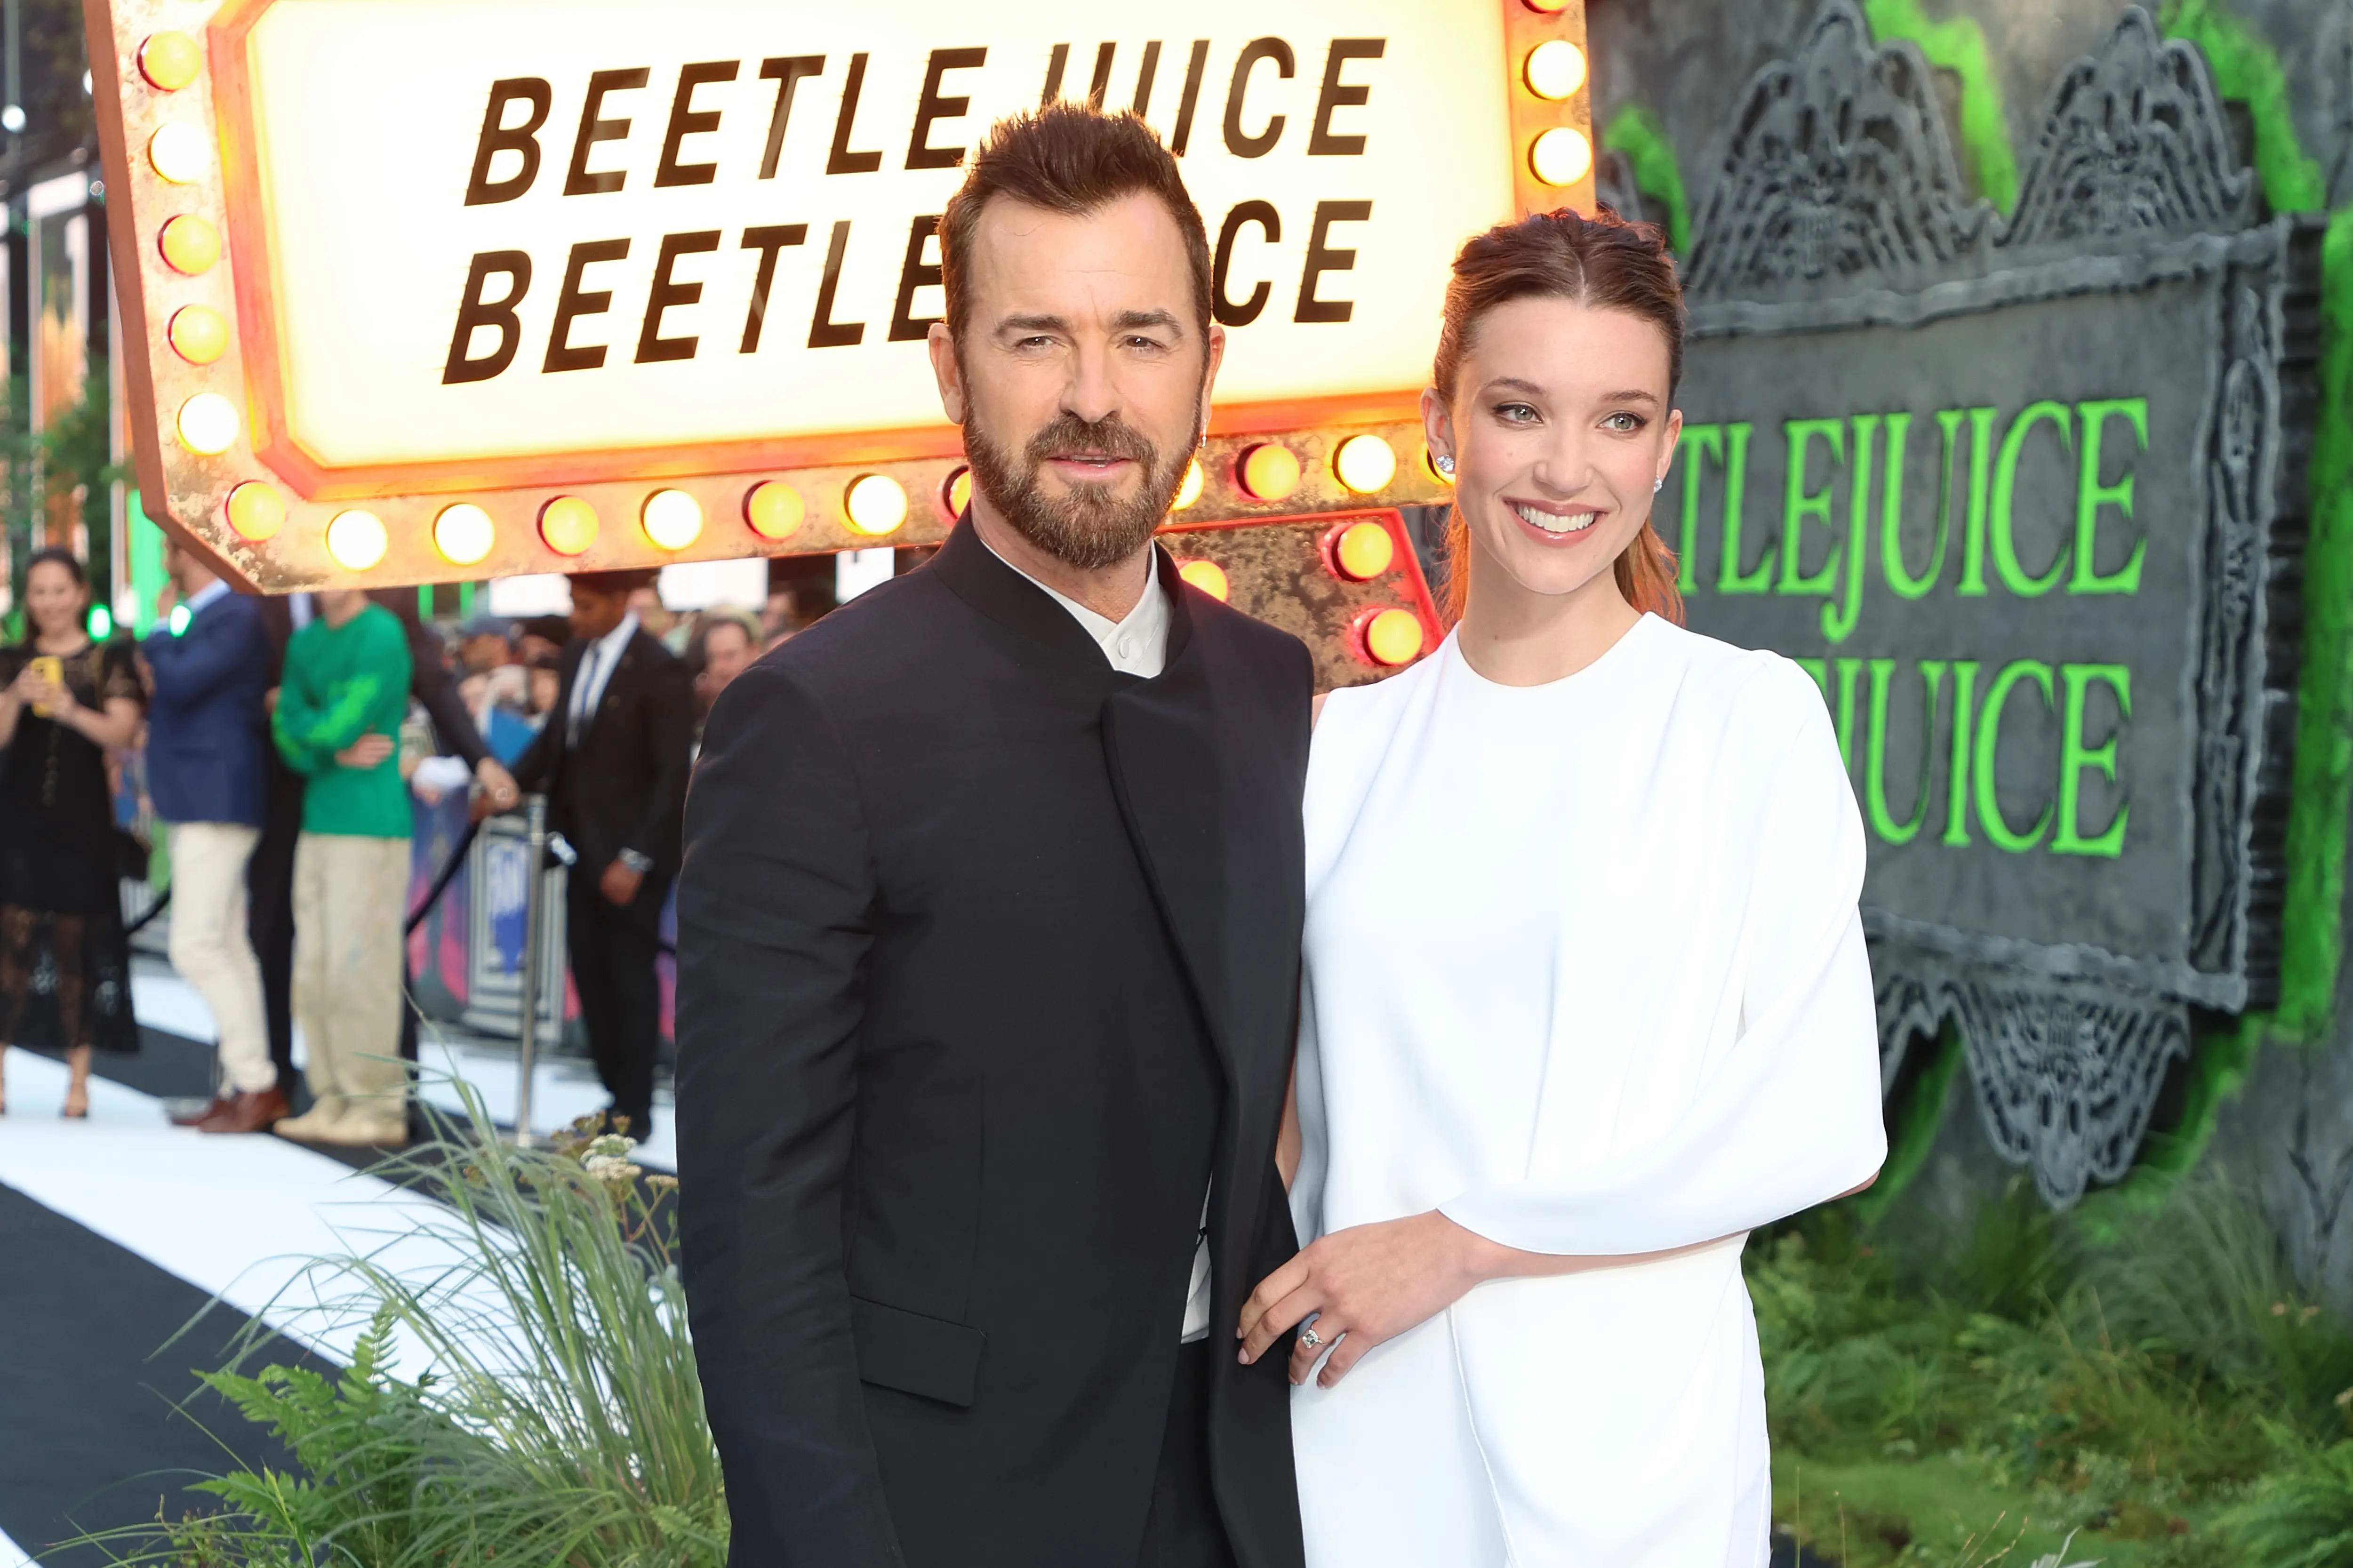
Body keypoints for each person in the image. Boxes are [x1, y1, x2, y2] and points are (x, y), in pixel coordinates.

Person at [677, 105, 1310, 1568]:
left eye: (1142, 337)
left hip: (1234, 1488)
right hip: (944, 1508)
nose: (1094, 396)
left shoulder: (1269, 688)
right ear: (950, 366)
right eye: (1037, 339)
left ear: (1207, 364)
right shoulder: (814, 716)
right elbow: (751, 1223)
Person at [1237, 208, 1887, 1566]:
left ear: (1668, 444)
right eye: (1522, 408)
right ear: (1440, 421)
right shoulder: (1340, 750)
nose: (1566, 468)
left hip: (1635, 1446)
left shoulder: (1745, 724)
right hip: (1360, 1426)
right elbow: (1282, 1121)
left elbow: (1819, 1120)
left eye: (1619, 418)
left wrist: (1462, 1239)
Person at [506, 568, 692, 1139]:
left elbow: (671, 775)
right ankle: (613, 1093)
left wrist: (635, 857)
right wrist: (504, 785)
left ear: (619, 600)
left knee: (629, 981)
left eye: (585, 605)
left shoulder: (660, 668)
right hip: (578, 849)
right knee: (589, 977)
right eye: (572, 603)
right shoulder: (575, 656)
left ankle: (634, 1108)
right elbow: (558, 738)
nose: (576, 615)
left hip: (631, 860)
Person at [139, 541, 284, 1133]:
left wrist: (157, 629)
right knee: (226, 945)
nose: (167, 557)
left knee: (196, 946)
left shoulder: (237, 612)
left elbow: (178, 681)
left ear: (186, 554)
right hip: (203, 795)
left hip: (217, 797)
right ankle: (241, 1082)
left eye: (172, 548)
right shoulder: (212, 616)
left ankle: (255, 1082)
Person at [0, 549, 145, 1118]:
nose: (51, 602)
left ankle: (79, 1081)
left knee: (77, 948)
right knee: (9, 944)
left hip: (83, 822)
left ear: (82, 592)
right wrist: (16, 694)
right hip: (17, 820)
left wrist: (66, 708)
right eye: (39, 591)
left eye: (60, 590)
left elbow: (125, 733)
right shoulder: (11, 659)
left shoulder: (109, 658)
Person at [269, 588, 414, 1146]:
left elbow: (327, 723)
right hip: (321, 819)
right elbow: (288, 730)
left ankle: (378, 1105)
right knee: (314, 970)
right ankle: (331, 1096)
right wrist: (328, 745)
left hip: (370, 822)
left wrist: (320, 739)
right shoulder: (305, 640)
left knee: (362, 969)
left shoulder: (380, 632)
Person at [690, 612, 757, 718]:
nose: (720, 668)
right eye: (713, 658)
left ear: (753, 651)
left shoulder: (773, 705)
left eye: (730, 655)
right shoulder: (695, 711)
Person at [455, 612, 516, 676]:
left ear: (498, 643)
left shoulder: (513, 680)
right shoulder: (465, 675)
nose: (463, 647)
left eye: (471, 640)